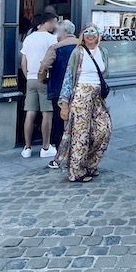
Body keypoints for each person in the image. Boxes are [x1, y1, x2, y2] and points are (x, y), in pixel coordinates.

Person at [56, 24, 111, 182]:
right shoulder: (77, 52)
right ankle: (77, 171)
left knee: (104, 130)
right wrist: (64, 103)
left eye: (93, 31)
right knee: (81, 134)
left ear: (98, 35)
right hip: (81, 95)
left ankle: (90, 164)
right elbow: (68, 77)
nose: (90, 35)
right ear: (82, 35)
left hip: (97, 97)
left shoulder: (103, 52)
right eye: (87, 32)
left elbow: (105, 73)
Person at [20, 10, 58, 159]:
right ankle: (45, 147)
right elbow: (54, 59)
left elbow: (23, 61)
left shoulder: (29, 39)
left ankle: (27, 148)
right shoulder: (51, 39)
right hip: (45, 79)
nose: (55, 26)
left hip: (30, 78)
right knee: (47, 113)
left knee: (30, 112)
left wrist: (28, 76)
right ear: (47, 22)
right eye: (54, 23)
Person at [38, 19, 80, 150]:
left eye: (57, 31)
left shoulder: (56, 48)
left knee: (59, 119)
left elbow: (44, 66)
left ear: (63, 32)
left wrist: (42, 79)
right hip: (79, 88)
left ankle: (60, 149)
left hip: (59, 89)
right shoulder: (82, 46)